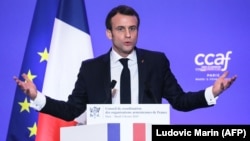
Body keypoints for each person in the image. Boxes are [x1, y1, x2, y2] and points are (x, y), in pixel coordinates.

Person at [14, 5, 237, 121]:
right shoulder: (91, 69)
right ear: (109, 34)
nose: (128, 35)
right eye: (121, 29)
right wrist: (36, 97)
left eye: (133, 28)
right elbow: (72, 110)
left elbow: (180, 101)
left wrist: (212, 92)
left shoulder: (155, 62)